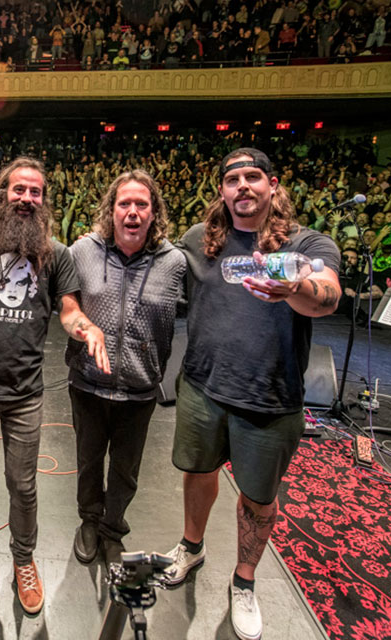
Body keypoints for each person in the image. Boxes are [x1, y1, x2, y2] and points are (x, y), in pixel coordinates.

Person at [168, 148, 341, 640]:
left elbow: (328, 296)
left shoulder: (308, 245)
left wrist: (295, 290)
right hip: (202, 386)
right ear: (221, 190)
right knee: (198, 473)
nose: (242, 186)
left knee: (258, 500)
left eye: (253, 177)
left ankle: (243, 581)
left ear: (272, 184)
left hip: (270, 396)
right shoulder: (200, 240)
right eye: (232, 179)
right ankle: (191, 546)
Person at [0, 157, 110, 615]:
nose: (26, 199)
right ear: (3, 194)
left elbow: (70, 311)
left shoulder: (56, 254)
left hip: (24, 392)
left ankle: (23, 557)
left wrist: (85, 328)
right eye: (19, 190)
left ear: (43, 200)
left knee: (24, 484)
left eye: (35, 192)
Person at [66, 171, 185, 565]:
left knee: (125, 469)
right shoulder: (83, 251)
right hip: (88, 383)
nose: (132, 212)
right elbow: (65, 303)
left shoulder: (175, 263)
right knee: (88, 461)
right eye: (124, 204)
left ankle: (112, 527)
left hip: (139, 388)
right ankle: (88, 520)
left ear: (154, 213)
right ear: (111, 210)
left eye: (142, 205)